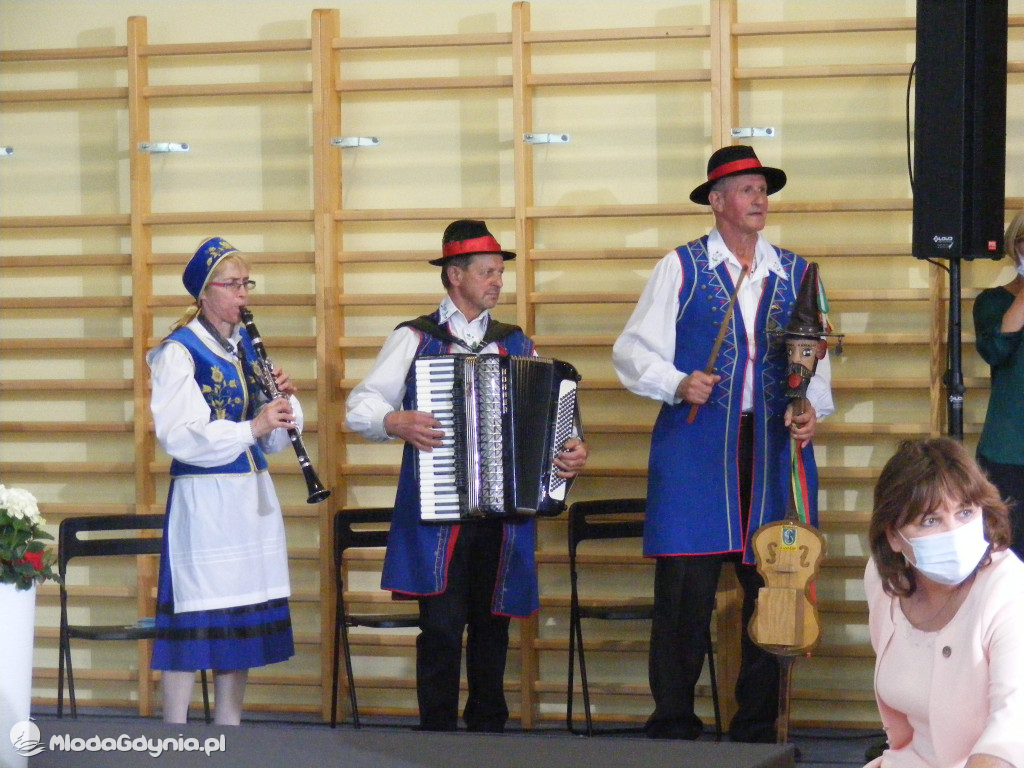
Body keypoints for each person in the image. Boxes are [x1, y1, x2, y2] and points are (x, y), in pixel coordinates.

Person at [612, 145, 834, 742]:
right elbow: (630, 352)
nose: (759, 198)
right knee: (685, 594)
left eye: (763, 189)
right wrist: (677, 381)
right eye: (746, 189)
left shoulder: (798, 273)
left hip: (773, 454)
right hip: (695, 450)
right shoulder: (681, 267)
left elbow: (817, 369)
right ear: (716, 201)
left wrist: (812, 410)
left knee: (775, 592)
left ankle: (756, 729)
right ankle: (675, 724)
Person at [345, 219, 588, 732]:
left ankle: (488, 731)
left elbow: (548, 416)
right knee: (440, 625)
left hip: (503, 512)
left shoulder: (515, 342)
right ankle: (435, 732)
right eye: (487, 272)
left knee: (493, 624)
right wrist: (393, 420)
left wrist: (567, 453)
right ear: (455, 275)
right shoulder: (416, 338)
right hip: (438, 511)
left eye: (500, 273)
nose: (498, 282)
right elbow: (359, 405)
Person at [148, 237, 299, 725]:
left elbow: (271, 444)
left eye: (245, 284)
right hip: (206, 499)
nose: (243, 295)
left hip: (249, 499)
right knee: (197, 609)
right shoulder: (179, 352)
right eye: (232, 285)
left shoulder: (244, 350)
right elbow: (180, 435)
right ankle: (174, 728)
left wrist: (280, 410)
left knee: (240, 611)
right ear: (205, 293)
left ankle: (229, 727)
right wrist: (252, 426)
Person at [864, 437, 1024, 768]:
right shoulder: (883, 581)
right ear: (894, 536)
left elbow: (1012, 730)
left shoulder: (1008, 587)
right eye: (930, 520)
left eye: (965, 512)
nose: (954, 532)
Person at [973, 206, 1024, 561]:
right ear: (1016, 246)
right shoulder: (993, 301)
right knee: (1007, 555)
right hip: (1009, 450)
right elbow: (995, 350)